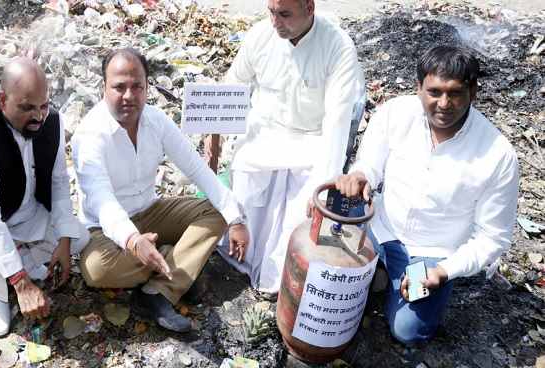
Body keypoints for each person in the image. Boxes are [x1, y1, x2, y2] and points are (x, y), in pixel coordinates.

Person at [335, 45, 519, 345]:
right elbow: (370, 165)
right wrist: (360, 175)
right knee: (324, 254)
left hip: (430, 254)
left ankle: (398, 281)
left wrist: (443, 271)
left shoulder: (497, 155)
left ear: (473, 91)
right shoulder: (395, 113)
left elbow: (493, 238)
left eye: (455, 93)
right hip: (380, 227)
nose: (444, 104)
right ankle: (380, 271)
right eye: (434, 92)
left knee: (408, 331)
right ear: (418, 88)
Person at [71, 48, 250, 332]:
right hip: (104, 230)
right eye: (119, 87)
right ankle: (176, 264)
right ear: (103, 88)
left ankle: (156, 291)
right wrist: (133, 241)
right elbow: (101, 200)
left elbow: (196, 169)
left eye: (137, 87)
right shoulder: (89, 135)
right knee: (95, 271)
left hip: (151, 211)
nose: (129, 96)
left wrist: (236, 219)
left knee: (218, 212)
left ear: (146, 87)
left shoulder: (156, 120)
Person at [210, 0, 365, 293]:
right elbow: (234, 85)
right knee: (244, 186)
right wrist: (214, 133)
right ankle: (240, 261)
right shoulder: (259, 35)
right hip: (264, 135)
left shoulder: (338, 46)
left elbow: (337, 121)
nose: (275, 22)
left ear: (309, 7)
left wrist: (323, 183)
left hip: (312, 140)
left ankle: (281, 277)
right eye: (271, 12)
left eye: (284, 14)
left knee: (301, 213)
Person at [0, 57, 89, 336]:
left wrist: (64, 241)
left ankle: (21, 260)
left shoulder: (52, 120)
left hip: (30, 213)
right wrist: (21, 282)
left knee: (80, 237)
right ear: (2, 100)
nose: (37, 117)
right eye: (26, 108)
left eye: (43, 106)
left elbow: (59, 182)